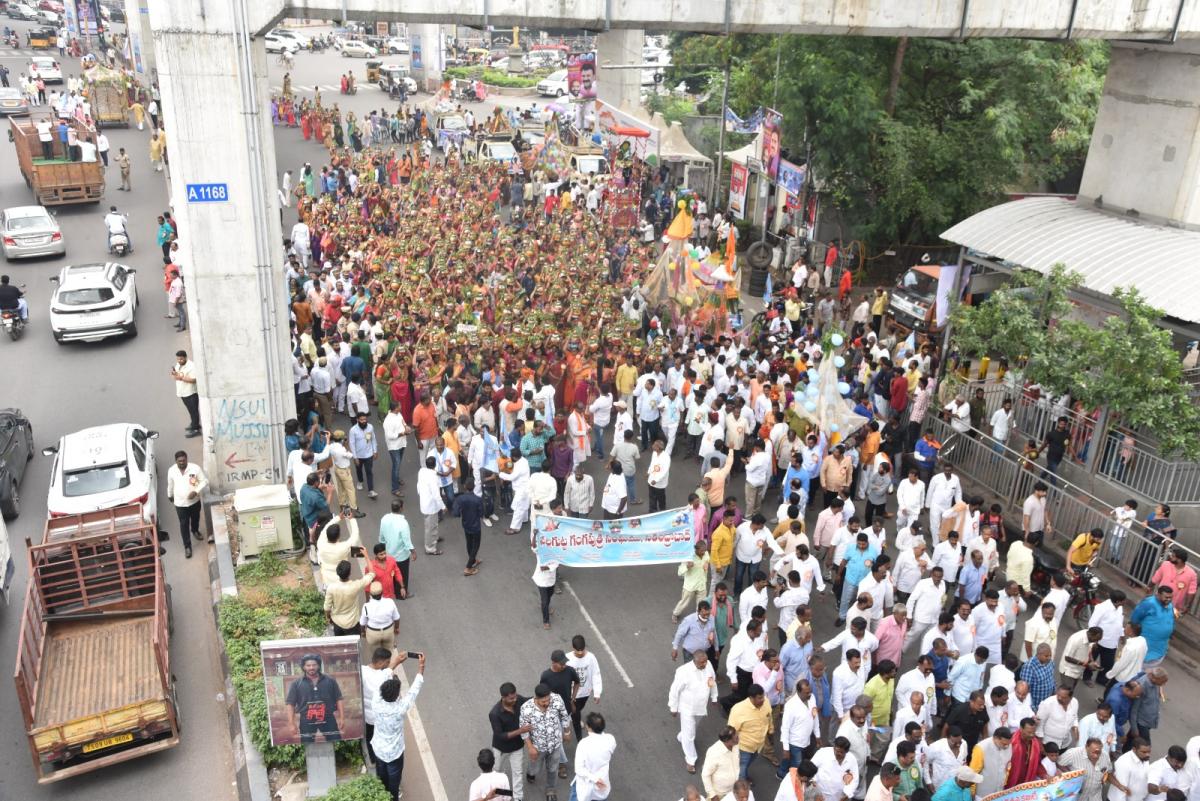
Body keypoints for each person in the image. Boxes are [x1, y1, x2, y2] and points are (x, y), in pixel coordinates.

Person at [370, 652, 425, 800]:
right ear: (396, 695)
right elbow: (413, 692)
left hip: (379, 750)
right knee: (393, 785)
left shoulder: (376, 703)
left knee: (381, 780)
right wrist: (420, 668)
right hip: (394, 754)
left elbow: (380, 680)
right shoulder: (400, 708)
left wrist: (394, 664)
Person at [670, 649, 719, 772]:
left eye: (706, 661)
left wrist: (714, 697)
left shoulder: (708, 665)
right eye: (702, 662)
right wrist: (673, 707)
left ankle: (682, 736)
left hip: (701, 707)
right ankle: (691, 759)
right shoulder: (683, 671)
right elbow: (675, 690)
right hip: (687, 708)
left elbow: (712, 681)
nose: (705, 664)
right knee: (690, 734)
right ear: (695, 661)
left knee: (691, 729)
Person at [520, 684, 572, 798]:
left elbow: (564, 716)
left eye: (548, 699)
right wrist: (530, 748)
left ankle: (551, 790)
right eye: (543, 701)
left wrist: (567, 732)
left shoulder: (557, 699)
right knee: (534, 768)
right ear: (536, 698)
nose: (547, 703)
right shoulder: (526, 708)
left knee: (553, 768)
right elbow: (524, 731)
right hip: (538, 747)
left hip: (555, 744)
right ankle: (531, 773)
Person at [285, 651, 347, 744]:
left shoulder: (330, 680)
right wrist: (291, 723)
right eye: (308, 665)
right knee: (307, 744)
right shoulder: (296, 684)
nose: (311, 667)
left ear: (318, 665)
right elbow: (290, 704)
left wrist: (342, 718)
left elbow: (339, 699)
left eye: (314, 665)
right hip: (306, 719)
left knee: (336, 742)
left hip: (328, 718)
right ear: (304, 667)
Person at [166, 450, 208, 558]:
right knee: (183, 524)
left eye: (183, 460)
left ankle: (195, 530)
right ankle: (187, 546)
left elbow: (204, 481)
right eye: (179, 461)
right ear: (176, 461)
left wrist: (195, 491)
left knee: (195, 518)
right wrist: (170, 495)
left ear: (187, 459)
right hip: (180, 504)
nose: (182, 463)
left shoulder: (195, 468)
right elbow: (170, 484)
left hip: (194, 501)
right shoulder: (171, 471)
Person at [570, 712, 615, 801]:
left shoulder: (584, 744)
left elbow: (579, 769)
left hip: (585, 785)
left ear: (588, 727)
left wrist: (594, 779)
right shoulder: (610, 739)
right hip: (602, 785)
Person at [451, 476, 485, 575]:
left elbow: (455, 513)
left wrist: (461, 514)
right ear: (474, 487)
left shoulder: (460, 499)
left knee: (469, 543)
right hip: (476, 525)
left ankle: (473, 560)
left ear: (465, 486)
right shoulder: (478, 499)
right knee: (476, 545)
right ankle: (468, 567)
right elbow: (481, 513)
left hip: (466, 524)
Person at [702, 727, 741, 801]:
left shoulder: (735, 744)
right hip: (719, 793)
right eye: (736, 738)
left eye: (737, 735)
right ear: (727, 741)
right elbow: (705, 775)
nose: (739, 739)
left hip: (732, 790)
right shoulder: (714, 753)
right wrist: (713, 795)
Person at [348, 411, 379, 499]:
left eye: (365, 419)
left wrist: (375, 451)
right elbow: (352, 444)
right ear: (357, 420)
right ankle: (360, 481)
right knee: (359, 470)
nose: (364, 421)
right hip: (358, 456)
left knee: (369, 472)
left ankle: (371, 490)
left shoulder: (370, 427)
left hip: (369, 454)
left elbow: (373, 439)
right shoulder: (353, 430)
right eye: (361, 420)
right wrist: (355, 457)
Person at [172, 350, 201, 436]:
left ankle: (196, 430)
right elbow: (177, 376)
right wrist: (174, 374)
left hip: (190, 393)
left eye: (181, 359)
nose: (179, 361)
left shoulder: (191, 366)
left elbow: (193, 380)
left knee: (194, 411)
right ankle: (194, 424)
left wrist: (180, 377)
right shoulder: (179, 365)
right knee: (190, 411)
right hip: (183, 392)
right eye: (178, 359)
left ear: (185, 358)